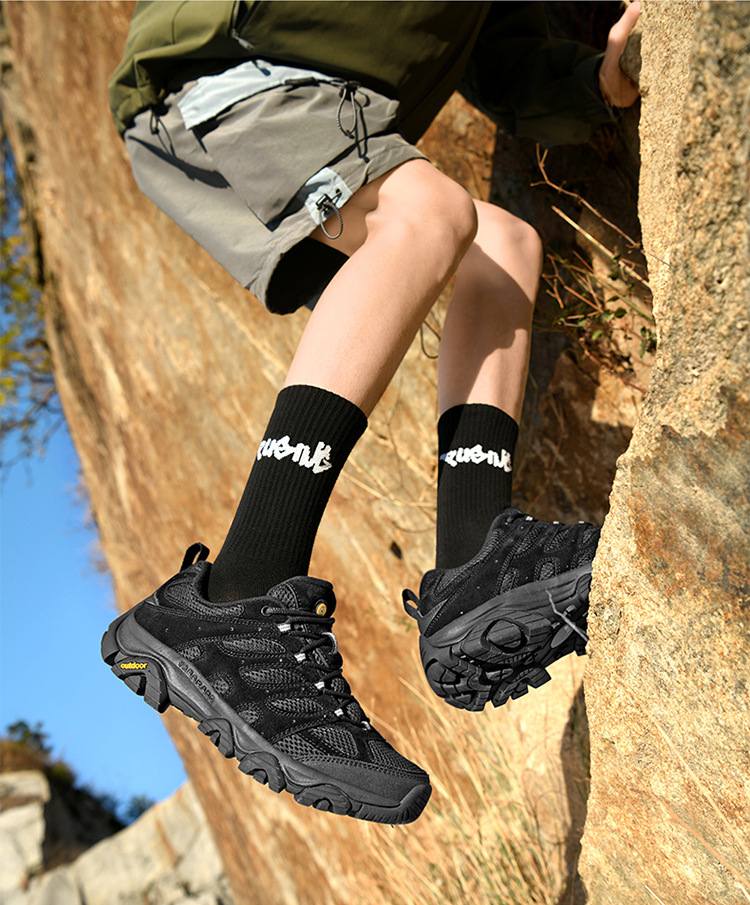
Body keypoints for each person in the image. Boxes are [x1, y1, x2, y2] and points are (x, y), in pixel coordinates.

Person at [102, 1, 641, 825]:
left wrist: (594, 80)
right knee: (427, 215)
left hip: (330, 111)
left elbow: (498, 58)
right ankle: (236, 593)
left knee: (502, 251)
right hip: (224, 67)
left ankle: (476, 560)